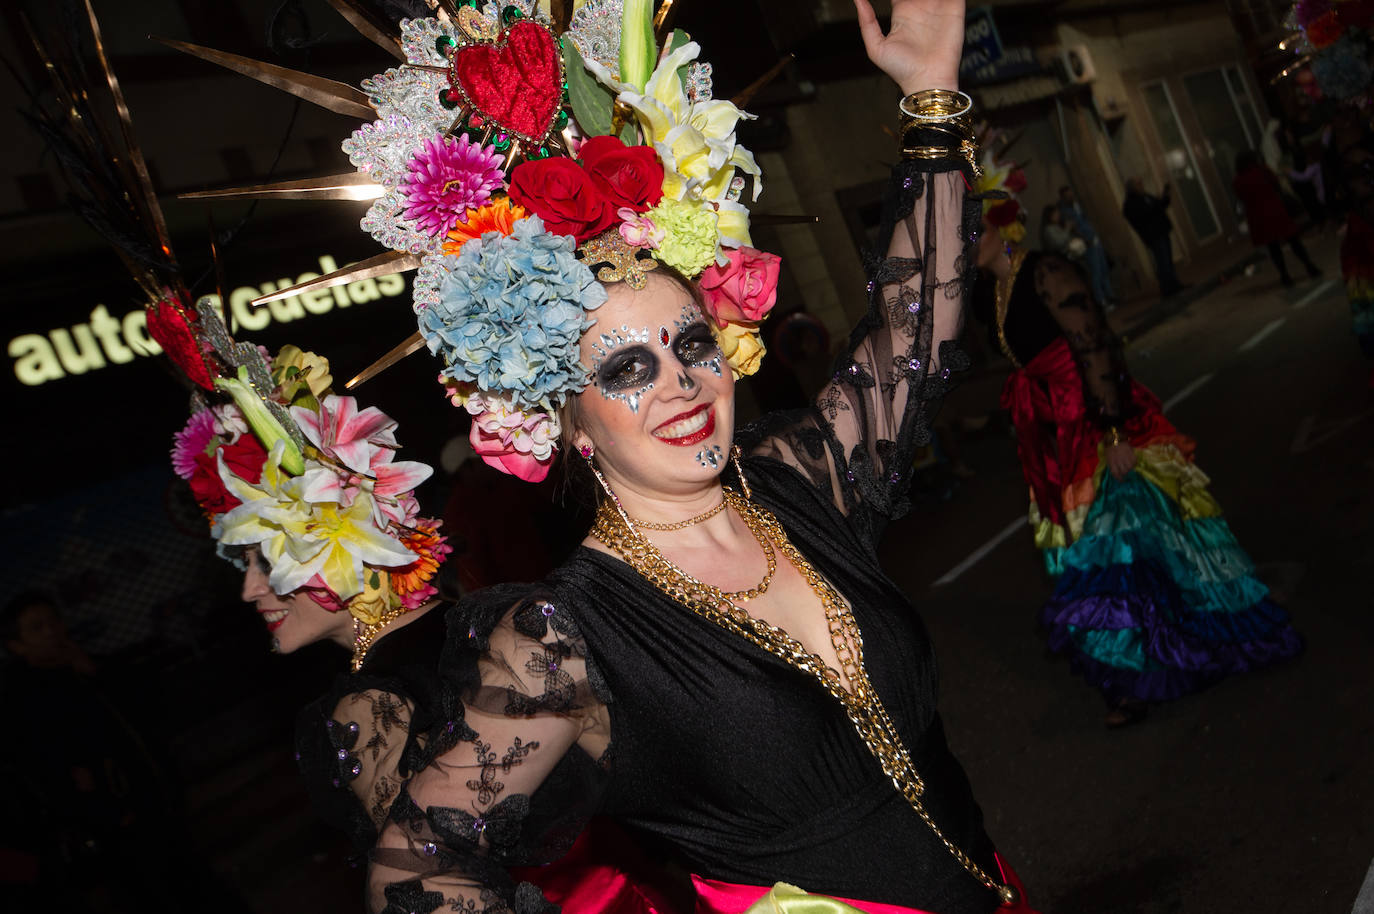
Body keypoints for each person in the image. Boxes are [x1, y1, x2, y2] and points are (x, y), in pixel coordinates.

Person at [168, 1, 1039, 910]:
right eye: (627, 369)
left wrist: (931, 100)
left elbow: (912, 336)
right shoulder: (562, 638)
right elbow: (419, 869)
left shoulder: (799, 481)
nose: (682, 383)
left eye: (692, 345)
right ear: (569, 421)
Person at [971, 230, 1302, 728]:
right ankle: (1131, 670)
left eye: (972, 226)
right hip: (1052, 437)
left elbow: (1095, 342)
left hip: (1091, 423)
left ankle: (1145, 671)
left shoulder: (1046, 272)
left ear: (1000, 222)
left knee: (1116, 554)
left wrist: (1114, 429)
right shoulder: (986, 292)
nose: (964, 239)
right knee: (1098, 556)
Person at [1233, 150, 1321, 287]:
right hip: (1274, 210)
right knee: (1294, 241)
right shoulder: (1262, 171)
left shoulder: (1238, 181)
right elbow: (1276, 185)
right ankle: (1309, 266)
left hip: (1259, 217)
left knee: (1274, 248)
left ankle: (1285, 276)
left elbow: (1241, 197)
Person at [1121, 177, 1184, 297]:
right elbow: (1143, 216)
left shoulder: (1146, 196)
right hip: (1154, 235)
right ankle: (1167, 288)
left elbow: (1159, 206)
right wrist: (1153, 207)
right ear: (1132, 188)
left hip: (1162, 231)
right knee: (1162, 261)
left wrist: (1165, 195)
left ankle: (1174, 284)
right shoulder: (1130, 204)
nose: (1141, 186)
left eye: (1141, 183)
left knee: (1168, 260)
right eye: (1138, 184)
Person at [1058, 185, 1116, 310]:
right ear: (1063, 197)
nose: (1071, 196)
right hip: (1087, 243)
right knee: (1096, 272)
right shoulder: (1065, 212)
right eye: (1067, 195)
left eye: (1071, 194)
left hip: (1094, 238)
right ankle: (1101, 301)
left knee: (1103, 269)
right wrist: (1085, 239)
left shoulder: (1076, 206)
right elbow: (1073, 228)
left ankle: (1110, 296)